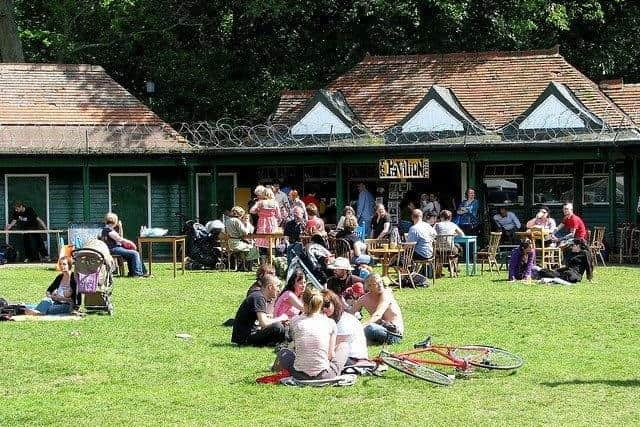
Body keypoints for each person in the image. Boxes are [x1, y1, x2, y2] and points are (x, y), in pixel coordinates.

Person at [275, 288, 348, 380]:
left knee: (283, 352)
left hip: (299, 374)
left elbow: (296, 347)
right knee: (344, 346)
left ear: (303, 303)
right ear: (320, 304)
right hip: (324, 375)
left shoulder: (295, 321)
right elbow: (330, 355)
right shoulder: (330, 323)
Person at [231, 274, 288, 347]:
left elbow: (260, 319)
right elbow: (264, 323)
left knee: (282, 327)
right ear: (270, 287)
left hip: (247, 335)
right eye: (277, 286)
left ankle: (279, 343)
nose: (279, 290)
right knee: (278, 327)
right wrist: (281, 318)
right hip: (245, 338)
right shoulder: (259, 297)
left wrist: (270, 318)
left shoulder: (258, 296)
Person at [352, 273, 404, 345]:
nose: (380, 285)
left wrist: (362, 326)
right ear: (369, 287)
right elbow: (349, 314)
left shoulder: (386, 294)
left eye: (380, 282)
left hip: (394, 333)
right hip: (379, 329)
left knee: (370, 328)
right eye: (376, 283)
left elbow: (378, 315)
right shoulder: (363, 299)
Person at [322, 289, 368, 365]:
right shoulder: (328, 320)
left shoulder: (345, 320)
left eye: (327, 305)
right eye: (320, 306)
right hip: (342, 356)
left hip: (353, 358)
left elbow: (335, 346)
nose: (324, 309)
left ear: (334, 303)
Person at [101, 212, 146, 277]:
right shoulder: (108, 230)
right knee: (135, 254)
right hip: (113, 249)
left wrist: (120, 227)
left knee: (132, 254)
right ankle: (137, 273)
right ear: (115, 221)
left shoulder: (107, 229)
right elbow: (119, 239)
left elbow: (119, 237)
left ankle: (133, 272)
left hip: (113, 248)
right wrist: (131, 243)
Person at [250, 186, 282, 258]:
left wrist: (258, 211)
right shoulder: (275, 203)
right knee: (272, 241)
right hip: (272, 222)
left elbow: (251, 210)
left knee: (262, 240)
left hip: (262, 222)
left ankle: (263, 261)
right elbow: (279, 216)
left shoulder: (260, 202)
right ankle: (272, 259)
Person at [224, 206, 255, 271]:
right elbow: (245, 232)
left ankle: (242, 266)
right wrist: (247, 226)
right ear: (239, 214)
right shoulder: (237, 221)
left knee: (246, 246)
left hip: (230, 243)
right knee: (252, 248)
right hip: (237, 243)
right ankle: (248, 267)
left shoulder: (227, 220)